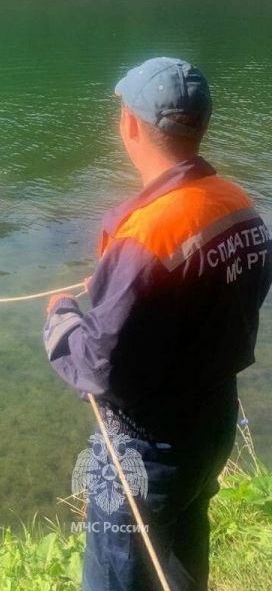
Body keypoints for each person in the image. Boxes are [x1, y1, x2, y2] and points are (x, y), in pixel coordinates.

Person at [43, 56, 272, 591]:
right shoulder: (240, 205)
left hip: (145, 451)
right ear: (203, 123)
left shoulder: (144, 238)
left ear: (129, 127)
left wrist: (61, 318)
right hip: (212, 425)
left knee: (117, 572)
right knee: (184, 550)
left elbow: (101, 368)